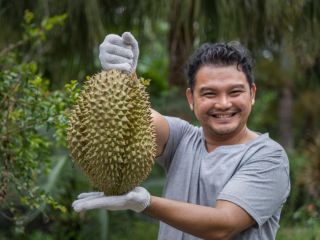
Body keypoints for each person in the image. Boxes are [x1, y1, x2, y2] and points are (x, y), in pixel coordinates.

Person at [72, 32, 290, 240]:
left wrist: (145, 203)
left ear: (252, 94)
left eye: (234, 92)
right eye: (209, 93)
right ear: (191, 98)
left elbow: (223, 224)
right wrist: (125, 73)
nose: (223, 104)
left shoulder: (268, 157)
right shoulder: (183, 138)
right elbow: (135, 119)